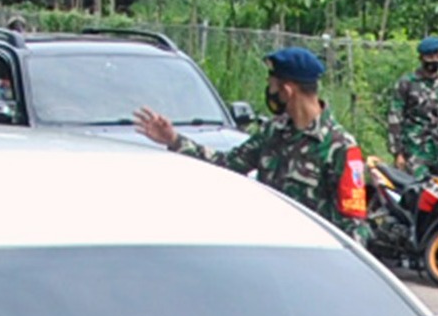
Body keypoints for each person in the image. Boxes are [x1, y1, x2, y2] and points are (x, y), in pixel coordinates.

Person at [132, 45, 361, 219]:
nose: (271, 94)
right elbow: (227, 164)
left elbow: (354, 224)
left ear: (288, 90)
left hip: (313, 263)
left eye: (272, 86)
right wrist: (173, 139)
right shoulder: (273, 132)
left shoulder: (339, 146)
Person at [386, 37, 438, 170]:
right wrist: (398, 152)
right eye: (430, 57)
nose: (435, 61)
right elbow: (395, 118)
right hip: (413, 150)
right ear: (421, 58)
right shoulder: (407, 83)